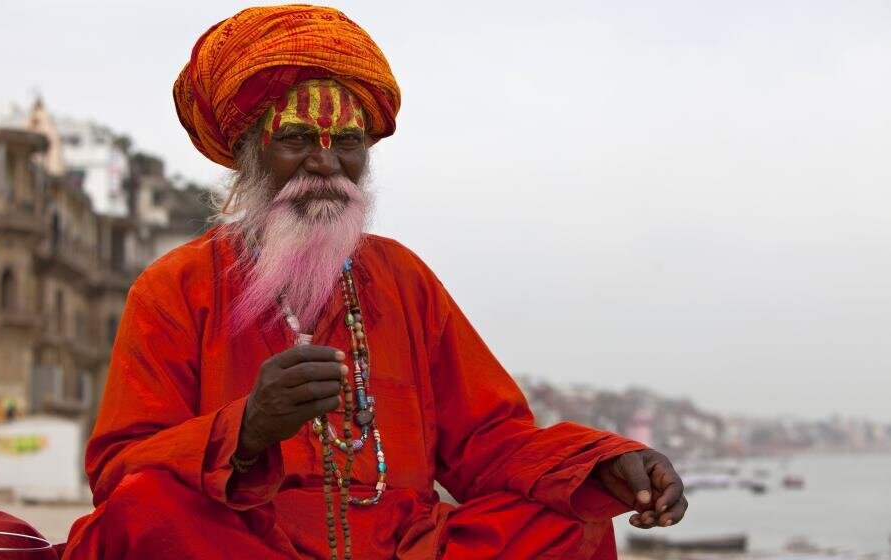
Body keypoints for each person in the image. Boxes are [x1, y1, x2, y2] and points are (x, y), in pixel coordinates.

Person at [61, 5, 687, 559]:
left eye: (349, 144)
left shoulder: (403, 280)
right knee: (145, 513)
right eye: (298, 139)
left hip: (404, 547)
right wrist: (246, 429)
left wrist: (605, 462)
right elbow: (121, 471)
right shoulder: (176, 286)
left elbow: (490, 440)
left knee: (564, 519)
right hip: (245, 542)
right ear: (250, 152)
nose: (326, 163)